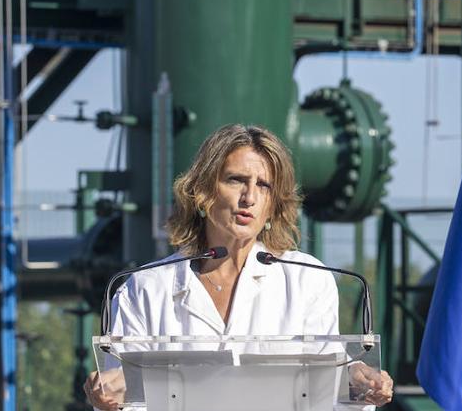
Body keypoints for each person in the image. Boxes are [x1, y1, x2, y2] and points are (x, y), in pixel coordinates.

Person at [84, 123, 393, 409]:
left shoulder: (306, 280)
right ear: (203, 192)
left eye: (264, 186)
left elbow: (325, 382)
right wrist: (110, 397)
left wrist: (357, 382)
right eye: (236, 180)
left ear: (274, 205)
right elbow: (123, 390)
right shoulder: (147, 286)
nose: (250, 197)